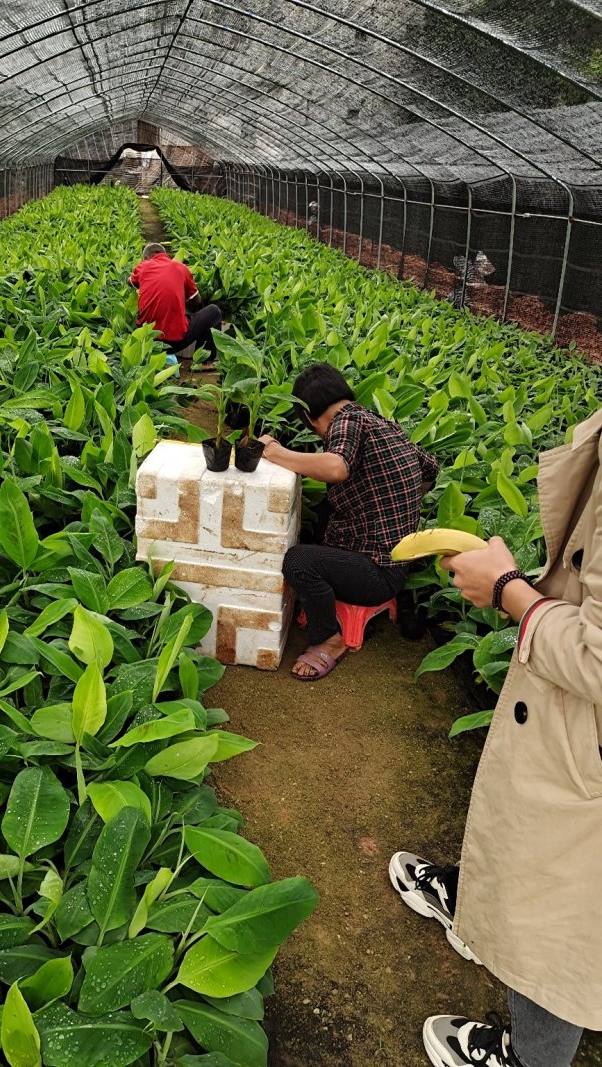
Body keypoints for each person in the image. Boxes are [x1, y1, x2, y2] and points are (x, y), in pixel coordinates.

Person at [390, 402, 602, 1067]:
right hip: (564, 723)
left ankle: (529, 1059)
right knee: (525, 854)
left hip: (583, 744)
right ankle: (477, 897)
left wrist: (510, 589)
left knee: (556, 921)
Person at [259, 362, 438, 680]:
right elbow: (429, 471)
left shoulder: (345, 420)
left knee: (299, 561)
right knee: (327, 509)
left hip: (376, 575)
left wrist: (274, 452)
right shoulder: (382, 424)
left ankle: (329, 639)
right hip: (396, 561)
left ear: (310, 417)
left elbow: (336, 467)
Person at [129, 243, 222, 360]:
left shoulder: (143, 267)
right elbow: (196, 300)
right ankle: (203, 360)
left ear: (145, 258)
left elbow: (130, 282)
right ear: (165, 255)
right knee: (214, 311)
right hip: (175, 343)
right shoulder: (181, 268)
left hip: (146, 342)